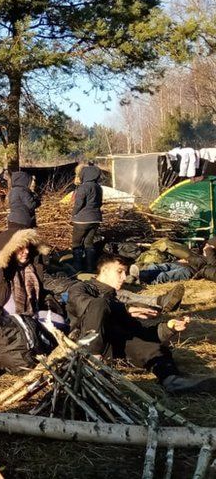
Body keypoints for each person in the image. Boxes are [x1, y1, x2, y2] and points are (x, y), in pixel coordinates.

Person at [68, 255, 215, 394]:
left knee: (155, 348)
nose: (124, 277)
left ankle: (173, 381)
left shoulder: (115, 299)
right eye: (119, 272)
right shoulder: (81, 288)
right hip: (85, 342)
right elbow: (86, 306)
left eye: (125, 273)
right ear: (104, 270)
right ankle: (92, 361)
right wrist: (124, 309)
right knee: (99, 304)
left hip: (113, 344)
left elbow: (139, 331)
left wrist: (168, 327)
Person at [0, 228, 63, 344]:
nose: (26, 251)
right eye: (20, 248)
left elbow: (44, 290)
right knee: (15, 333)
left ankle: (33, 334)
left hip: (28, 316)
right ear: (9, 250)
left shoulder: (31, 267)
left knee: (59, 321)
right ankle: (34, 336)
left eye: (27, 247)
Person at [131, 237, 216, 284]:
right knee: (158, 267)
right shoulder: (204, 250)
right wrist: (188, 257)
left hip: (192, 271)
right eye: (207, 244)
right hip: (183, 264)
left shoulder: (211, 254)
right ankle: (139, 275)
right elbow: (195, 253)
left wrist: (209, 251)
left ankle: (140, 280)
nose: (206, 246)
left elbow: (210, 266)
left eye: (209, 245)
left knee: (164, 276)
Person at [71, 165, 103, 273]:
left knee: (76, 243)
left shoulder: (84, 187)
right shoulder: (98, 187)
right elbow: (100, 203)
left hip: (82, 219)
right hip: (96, 219)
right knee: (89, 243)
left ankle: (77, 267)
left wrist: (73, 214)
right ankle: (90, 267)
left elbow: (78, 203)